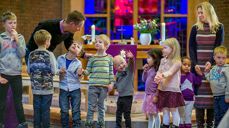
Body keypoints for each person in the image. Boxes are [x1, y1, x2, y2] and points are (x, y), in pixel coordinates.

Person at [189, 2, 224, 127]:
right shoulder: (195, 28)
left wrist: (211, 62)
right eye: (198, 13)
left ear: (209, 12)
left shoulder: (219, 27)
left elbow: (218, 47)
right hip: (198, 69)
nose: (199, 15)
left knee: (211, 98)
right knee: (199, 100)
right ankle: (199, 125)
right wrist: (195, 64)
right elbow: (192, 48)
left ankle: (210, 124)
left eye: (201, 12)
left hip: (212, 68)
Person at [0, 11, 27, 128]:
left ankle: (22, 123)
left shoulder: (20, 37)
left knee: (18, 101)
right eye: (10, 23)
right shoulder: (1, 38)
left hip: (16, 74)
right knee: (2, 102)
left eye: (15, 23)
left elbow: (22, 54)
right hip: (4, 74)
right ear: (4, 24)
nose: (13, 25)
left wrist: (16, 40)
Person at [27, 29, 57, 128]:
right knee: (45, 110)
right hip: (47, 89)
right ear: (47, 42)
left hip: (36, 89)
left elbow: (28, 71)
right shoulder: (50, 54)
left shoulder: (31, 54)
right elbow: (54, 71)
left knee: (37, 109)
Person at [83, 34, 114, 128]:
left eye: (100, 42)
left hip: (104, 87)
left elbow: (111, 73)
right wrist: (82, 72)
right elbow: (88, 71)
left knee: (102, 107)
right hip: (93, 86)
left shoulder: (109, 58)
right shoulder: (92, 58)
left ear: (106, 46)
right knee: (91, 106)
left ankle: (101, 125)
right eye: (96, 41)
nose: (97, 43)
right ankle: (89, 124)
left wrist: (112, 83)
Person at [154, 38, 185, 128]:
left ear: (173, 49)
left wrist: (161, 75)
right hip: (163, 88)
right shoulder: (163, 60)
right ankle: (165, 125)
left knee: (173, 110)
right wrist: (157, 76)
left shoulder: (177, 62)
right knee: (165, 110)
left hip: (172, 89)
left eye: (165, 47)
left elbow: (170, 72)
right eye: (163, 47)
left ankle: (176, 125)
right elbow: (159, 71)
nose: (162, 49)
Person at [57, 41, 83, 128]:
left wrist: (79, 74)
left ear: (79, 53)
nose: (75, 45)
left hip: (75, 88)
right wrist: (59, 71)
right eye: (74, 44)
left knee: (76, 110)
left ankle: (77, 126)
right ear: (68, 47)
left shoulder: (78, 63)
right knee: (64, 110)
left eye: (78, 46)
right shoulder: (60, 58)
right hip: (63, 88)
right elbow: (55, 71)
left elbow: (79, 77)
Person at [204, 46, 229, 128]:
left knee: (223, 114)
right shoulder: (214, 68)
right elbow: (210, 79)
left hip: (223, 96)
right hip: (215, 96)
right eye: (219, 57)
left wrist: (227, 95)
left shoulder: (226, 68)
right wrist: (207, 71)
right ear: (214, 57)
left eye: (223, 58)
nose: (221, 60)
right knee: (217, 115)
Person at [178, 57, 203, 128]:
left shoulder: (192, 75)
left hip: (190, 100)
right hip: (181, 100)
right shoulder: (178, 76)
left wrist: (199, 74)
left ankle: (188, 126)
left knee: (188, 115)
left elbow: (198, 82)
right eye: (184, 64)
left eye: (189, 65)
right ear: (180, 65)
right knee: (182, 116)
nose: (187, 66)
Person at [113, 51, 135, 128]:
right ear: (115, 68)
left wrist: (131, 58)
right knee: (118, 113)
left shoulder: (129, 70)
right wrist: (114, 86)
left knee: (126, 114)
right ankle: (118, 126)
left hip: (128, 96)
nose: (121, 66)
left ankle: (128, 126)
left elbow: (131, 64)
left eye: (122, 63)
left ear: (125, 62)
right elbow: (116, 83)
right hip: (120, 96)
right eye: (118, 65)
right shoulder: (117, 74)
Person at [142, 49, 162, 128]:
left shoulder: (157, 71)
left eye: (149, 58)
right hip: (148, 95)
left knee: (156, 114)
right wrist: (145, 71)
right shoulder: (150, 70)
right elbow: (144, 79)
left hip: (153, 96)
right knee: (150, 116)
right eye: (147, 57)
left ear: (155, 59)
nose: (147, 59)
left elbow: (159, 85)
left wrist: (156, 96)